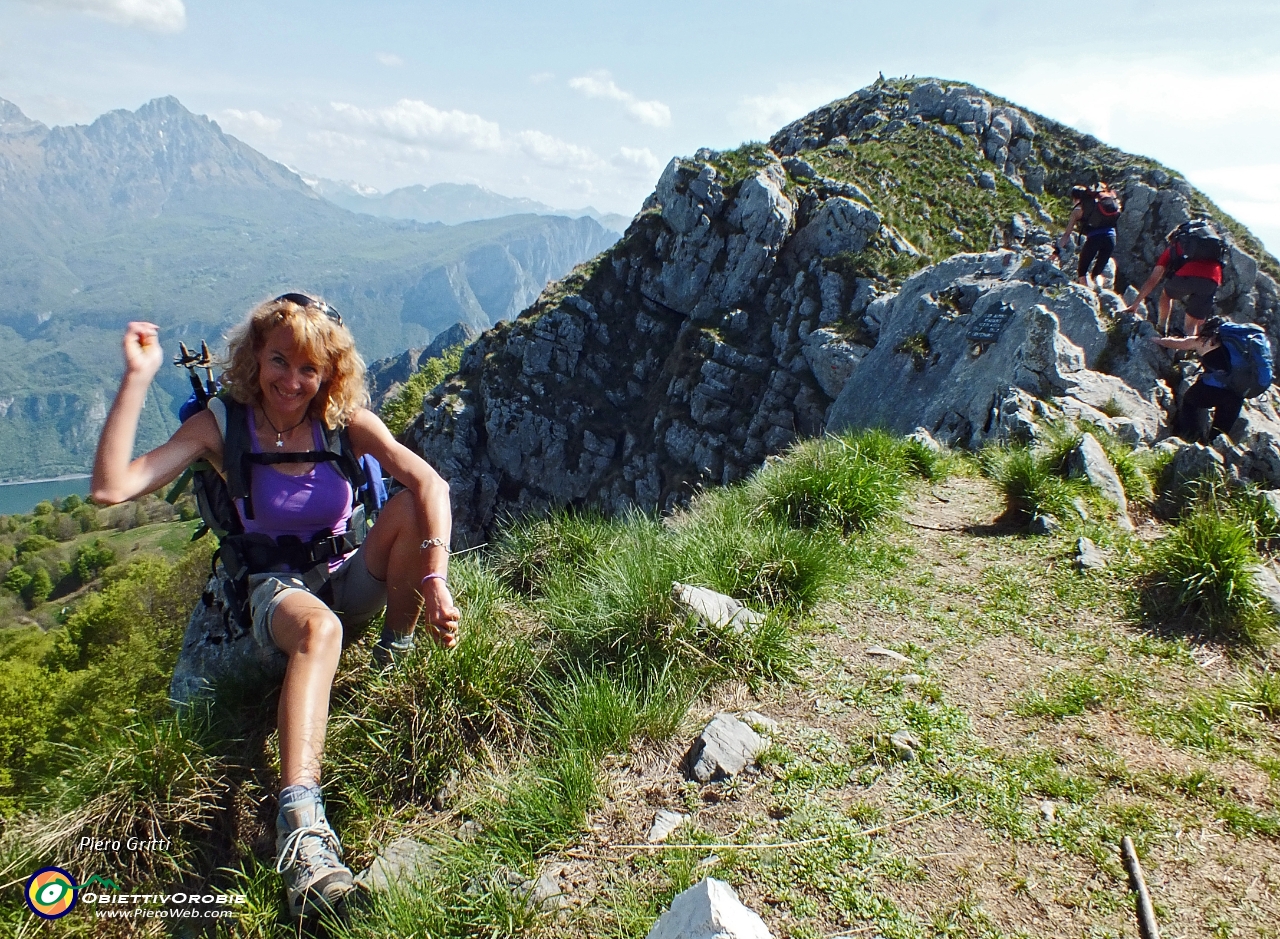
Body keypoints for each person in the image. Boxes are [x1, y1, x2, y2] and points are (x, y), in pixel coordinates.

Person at [90, 294, 460, 918]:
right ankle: (303, 830)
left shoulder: (344, 422)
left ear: (329, 373)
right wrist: (137, 377)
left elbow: (431, 484)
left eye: (309, 368)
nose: (293, 381)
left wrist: (435, 578)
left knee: (403, 509)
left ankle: (394, 656)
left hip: (342, 577)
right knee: (318, 629)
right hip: (266, 591)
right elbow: (111, 488)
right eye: (279, 361)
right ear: (254, 359)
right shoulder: (222, 425)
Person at [1149, 316, 1243, 441]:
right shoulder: (1239, 347)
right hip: (1237, 394)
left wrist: (1157, 340)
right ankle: (1211, 451)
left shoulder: (1204, 341)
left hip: (1214, 389)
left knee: (1189, 401)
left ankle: (1190, 437)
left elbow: (1178, 343)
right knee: (1218, 435)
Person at [1126, 220, 1226, 337]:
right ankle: (1184, 351)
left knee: (1166, 295)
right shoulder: (1211, 246)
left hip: (1188, 275)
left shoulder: (1174, 247)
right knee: (1191, 326)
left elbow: (1153, 280)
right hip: (1212, 280)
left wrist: (1135, 304)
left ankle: (1161, 328)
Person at [1057, 184, 1120, 288]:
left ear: (1076, 198)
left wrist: (1056, 251)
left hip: (1094, 239)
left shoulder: (1077, 211)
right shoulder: (1101, 204)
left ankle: (1086, 293)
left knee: (1082, 271)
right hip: (1111, 239)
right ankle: (1098, 290)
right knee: (1097, 273)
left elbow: (1067, 235)